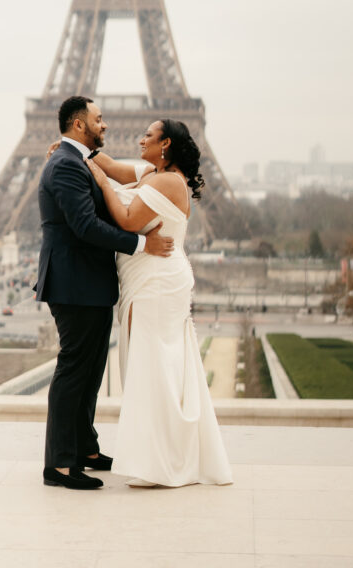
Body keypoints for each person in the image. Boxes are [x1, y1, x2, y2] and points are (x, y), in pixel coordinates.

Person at [35, 95, 174, 491]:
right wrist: (143, 245)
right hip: (75, 284)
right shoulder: (65, 165)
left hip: (86, 283)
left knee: (90, 371)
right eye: (99, 119)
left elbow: (113, 181)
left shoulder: (75, 161)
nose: (106, 125)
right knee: (74, 372)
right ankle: (60, 465)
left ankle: (84, 450)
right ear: (80, 125)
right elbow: (85, 226)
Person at [86, 118, 233, 488]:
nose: (140, 140)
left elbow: (129, 219)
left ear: (165, 143)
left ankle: (158, 464)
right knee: (158, 368)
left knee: (152, 368)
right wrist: (82, 152)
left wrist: (100, 181)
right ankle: (165, 457)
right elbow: (117, 167)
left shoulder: (167, 181)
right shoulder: (155, 172)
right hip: (154, 279)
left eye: (147, 136)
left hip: (157, 281)